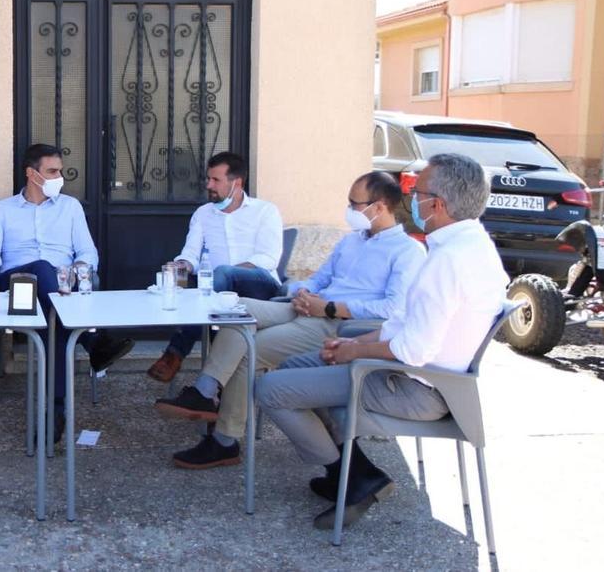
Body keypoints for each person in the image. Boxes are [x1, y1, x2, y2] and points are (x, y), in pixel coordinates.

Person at [256, 153, 508, 529]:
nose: (410, 200)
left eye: (415, 191)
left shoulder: (447, 261)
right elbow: (404, 321)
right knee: (296, 366)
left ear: (436, 204)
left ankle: (353, 477)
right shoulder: (472, 246)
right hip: (416, 374)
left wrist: (356, 350)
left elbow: (413, 350)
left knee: (270, 389)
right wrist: (354, 345)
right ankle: (350, 475)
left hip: (417, 386)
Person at [155, 170, 426, 469]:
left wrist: (332, 307)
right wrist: (302, 292)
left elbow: (393, 310)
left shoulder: (408, 251)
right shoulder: (350, 241)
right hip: (308, 308)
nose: (349, 210)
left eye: (354, 204)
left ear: (379, 207)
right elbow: (319, 278)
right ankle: (204, 392)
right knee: (234, 307)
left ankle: (224, 441)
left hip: (342, 325)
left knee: (249, 348)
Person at [0, 143, 134, 443]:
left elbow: (87, 252)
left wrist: (77, 271)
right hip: (17, 284)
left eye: (59, 171)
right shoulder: (1, 210)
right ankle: (92, 340)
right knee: (43, 268)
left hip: (62, 287)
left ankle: (54, 415)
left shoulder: (70, 207)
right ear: (31, 174)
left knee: (55, 325)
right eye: (52, 171)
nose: (59, 176)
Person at [147, 152, 285, 382]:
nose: (208, 185)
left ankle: (175, 353)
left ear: (237, 183)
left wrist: (228, 274)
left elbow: (268, 257)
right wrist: (180, 265)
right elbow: (190, 254)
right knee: (193, 285)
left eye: (216, 180)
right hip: (215, 291)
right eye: (208, 179)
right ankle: (213, 394)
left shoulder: (265, 211)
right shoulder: (203, 213)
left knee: (219, 275)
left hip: (259, 286)